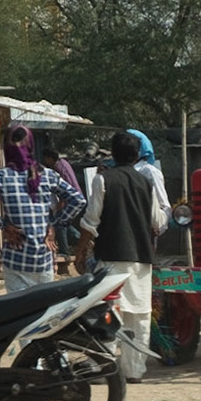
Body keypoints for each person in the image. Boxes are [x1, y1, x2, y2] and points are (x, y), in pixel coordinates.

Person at [73, 130, 170, 384]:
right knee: (139, 316)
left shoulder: (102, 180)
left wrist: (79, 251)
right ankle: (134, 371)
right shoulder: (146, 183)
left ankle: (103, 367)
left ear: (113, 154)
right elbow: (158, 221)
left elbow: (90, 221)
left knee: (107, 313)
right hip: (140, 260)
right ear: (137, 155)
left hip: (112, 257)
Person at [0, 125, 78, 292]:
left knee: (17, 306)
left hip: (15, 259)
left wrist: (3, 225)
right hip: (43, 259)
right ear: (30, 146)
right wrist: (54, 224)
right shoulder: (47, 174)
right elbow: (78, 200)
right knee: (44, 306)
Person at [40, 145, 88, 254]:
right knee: (65, 224)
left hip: (71, 199)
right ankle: (84, 241)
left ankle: (65, 251)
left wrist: (62, 202)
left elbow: (65, 185)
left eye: (46, 158)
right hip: (75, 197)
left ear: (49, 158)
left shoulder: (58, 167)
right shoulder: (63, 163)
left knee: (60, 224)